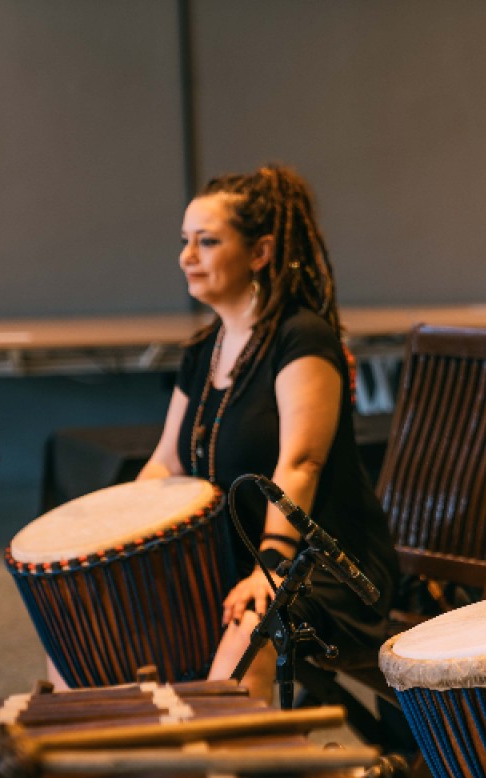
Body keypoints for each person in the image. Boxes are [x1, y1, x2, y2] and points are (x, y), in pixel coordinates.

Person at [137, 163, 396, 703]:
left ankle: (219, 775)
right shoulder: (202, 352)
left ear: (260, 253)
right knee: (109, 606)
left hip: (321, 563)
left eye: (207, 242)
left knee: (248, 635)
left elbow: (301, 464)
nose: (187, 257)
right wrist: (117, 536)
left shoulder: (302, 339)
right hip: (233, 558)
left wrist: (273, 565)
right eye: (185, 241)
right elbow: (166, 462)